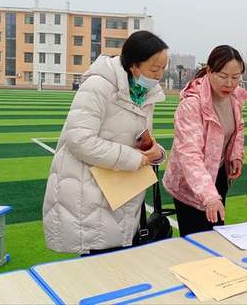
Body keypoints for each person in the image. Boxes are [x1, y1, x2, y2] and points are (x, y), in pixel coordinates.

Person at [43, 30, 169, 255]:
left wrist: (154, 151)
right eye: (154, 68)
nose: (159, 75)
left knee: (120, 266)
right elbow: (79, 139)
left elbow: (138, 137)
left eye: (162, 68)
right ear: (133, 65)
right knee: (97, 265)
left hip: (123, 190)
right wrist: (135, 158)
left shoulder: (144, 93)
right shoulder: (98, 86)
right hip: (92, 191)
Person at [163, 45, 247, 237]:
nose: (229, 83)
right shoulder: (192, 105)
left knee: (215, 235)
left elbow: (238, 127)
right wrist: (209, 196)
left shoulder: (235, 98)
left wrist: (235, 155)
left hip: (217, 175)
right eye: (223, 76)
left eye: (235, 77)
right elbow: (190, 155)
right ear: (209, 71)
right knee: (197, 243)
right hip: (190, 184)